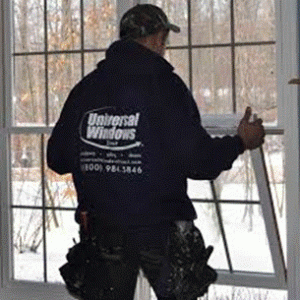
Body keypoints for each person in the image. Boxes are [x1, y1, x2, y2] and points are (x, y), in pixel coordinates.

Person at [47, 4, 265, 300]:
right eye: (164, 39)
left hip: (103, 231)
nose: (164, 47)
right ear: (154, 39)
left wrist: (102, 157)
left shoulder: (86, 90)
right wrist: (240, 142)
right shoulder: (164, 87)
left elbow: (57, 158)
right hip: (159, 231)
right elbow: (199, 161)